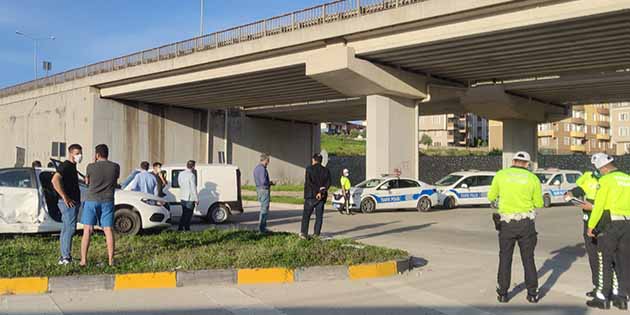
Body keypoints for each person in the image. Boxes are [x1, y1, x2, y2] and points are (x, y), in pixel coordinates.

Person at [488, 151, 542, 304]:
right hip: (526, 224)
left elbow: (491, 197)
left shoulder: (501, 175)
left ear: (513, 161)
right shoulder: (533, 178)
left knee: (505, 258)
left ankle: (503, 293)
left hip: (507, 223)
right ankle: (532, 294)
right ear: (527, 163)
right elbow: (539, 203)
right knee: (528, 259)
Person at [584, 153, 630, 310]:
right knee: (623, 261)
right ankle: (621, 297)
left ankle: (602, 297)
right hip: (627, 223)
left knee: (605, 259)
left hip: (610, 224)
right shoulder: (628, 178)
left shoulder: (605, 180)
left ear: (602, 167)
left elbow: (599, 205)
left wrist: (591, 225)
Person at [80, 144, 120, 267]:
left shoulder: (90, 167)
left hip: (91, 200)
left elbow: (87, 182)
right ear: (107, 153)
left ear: (97, 155)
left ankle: (84, 260)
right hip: (107, 200)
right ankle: (111, 260)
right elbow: (115, 181)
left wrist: (94, 162)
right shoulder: (115, 166)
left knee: (88, 229)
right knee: (108, 230)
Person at [566, 170, 602, 298]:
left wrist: (593, 207)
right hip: (589, 223)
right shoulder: (588, 177)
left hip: (605, 223)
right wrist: (570, 195)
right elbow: (579, 190)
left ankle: (615, 289)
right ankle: (598, 287)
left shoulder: (610, 181)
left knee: (610, 257)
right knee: (593, 256)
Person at [51, 144, 83, 265]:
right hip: (69, 203)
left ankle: (64, 255)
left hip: (72, 202)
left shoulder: (72, 167)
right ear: (71, 154)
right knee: (69, 229)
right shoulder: (66, 166)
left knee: (66, 229)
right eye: (77, 153)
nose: (80, 156)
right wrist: (65, 197)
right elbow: (55, 180)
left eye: (80, 153)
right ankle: (66, 257)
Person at [300, 153, 331, 239]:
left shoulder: (309, 169)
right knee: (319, 217)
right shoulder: (326, 170)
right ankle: (316, 234)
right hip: (321, 197)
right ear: (321, 161)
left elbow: (309, 183)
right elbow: (328, 183)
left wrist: (317, 191)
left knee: (306, 216)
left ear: (313, 160)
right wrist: (321, 192)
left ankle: (304, 233)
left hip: (310, 196)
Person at [254, 154, 274, 233]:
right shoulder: (262, 169)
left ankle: (261, 227)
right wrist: (270, 183)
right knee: (264, 209)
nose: (268, 162)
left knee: (263, 208)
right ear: (264, 160)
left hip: (259, 189)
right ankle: (262, 228)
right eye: (268, 161)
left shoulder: (256, 168)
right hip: (264, 190)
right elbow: (263, 181)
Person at [177, 160, 198, 231]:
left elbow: (179, 184)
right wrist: (196, 199)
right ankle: (187, 228)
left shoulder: (181, 173)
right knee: (188, 215)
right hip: (190, 197)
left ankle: (180, 228)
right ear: (193, 166)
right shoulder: (192, 175)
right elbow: (193, 188)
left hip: (182, 196)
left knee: (184, 213)